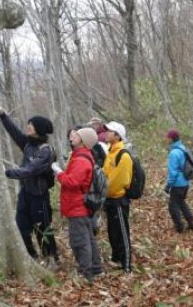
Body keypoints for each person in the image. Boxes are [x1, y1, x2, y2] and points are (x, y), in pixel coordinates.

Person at [0, 101, 59, 264]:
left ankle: (51, 258)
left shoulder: (46, 151)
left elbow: (30, 169)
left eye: (31, 125)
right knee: (21, 227)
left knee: (42, 228)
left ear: (38, 129)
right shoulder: (28, 144)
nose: (28, 127)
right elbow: (14, 132)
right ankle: (31, 257)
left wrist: (6, 172)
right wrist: (3, 115)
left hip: (39, 196)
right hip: (25, 194)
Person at [51, 128, 103, 282]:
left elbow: (72, 182)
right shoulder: (80, 156)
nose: (72, 136)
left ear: (83, 140)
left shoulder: (81, 160)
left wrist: (58, 173)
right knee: (88, 239)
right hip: (80, 205)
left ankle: (86, 273)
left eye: (76, 135)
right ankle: (95, 268)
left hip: (77, 206)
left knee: (79, 241)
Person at [102, 121, 133, 273]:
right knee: (113, 231)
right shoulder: (111, 153)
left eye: (109, 131)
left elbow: (118, 181)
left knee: (122, 231)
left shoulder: (123, 155)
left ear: (117, 136)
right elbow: (105, 175)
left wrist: (103, 191)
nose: (106, 133)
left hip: (118, 199)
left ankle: (126, 264)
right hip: (110, 199)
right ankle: (116, 259)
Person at [164, 129, 193, 233]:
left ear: (171, 139)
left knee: (172, 206)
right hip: (186, 182)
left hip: (177, 184)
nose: (166, 139)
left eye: (167, 137)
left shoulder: (173, 153)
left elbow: (173, 172)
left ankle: (179, 227)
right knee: (181, 202)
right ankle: (191, 223)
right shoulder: (183, 148)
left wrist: (168, 185)